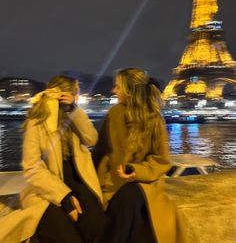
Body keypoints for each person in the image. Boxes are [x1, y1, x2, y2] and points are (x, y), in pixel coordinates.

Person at [19, 75, 107, 243]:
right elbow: (31, 168)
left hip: (78, 183)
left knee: (98, 224)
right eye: (75, 94)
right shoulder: (36, 121)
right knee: (67, 235)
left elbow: (92, 139)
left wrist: (74, 109)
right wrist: (65, 198)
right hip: (48, 189)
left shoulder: (72, 117)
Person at [93, 68, 176, 243]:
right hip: (114, 181)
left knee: (128, 200)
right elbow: (100, 153)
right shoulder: (113, 115)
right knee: (132, 218)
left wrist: (135, 171)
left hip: (144, 182)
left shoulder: (154, 119)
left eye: (117, 87)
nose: (113, 91)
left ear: (130, 91)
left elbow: (161, 160)